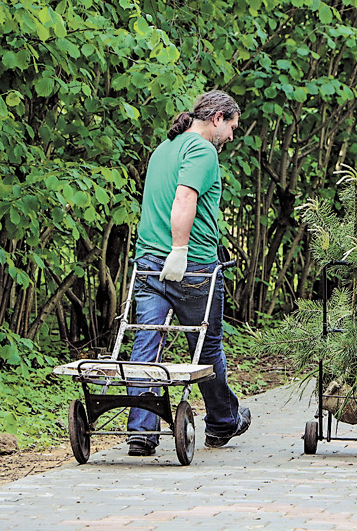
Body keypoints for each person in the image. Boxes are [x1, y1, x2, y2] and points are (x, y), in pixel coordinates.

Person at [126, 90, 251, 456]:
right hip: (190, 267)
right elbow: (183, 198)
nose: (231, 136)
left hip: (148, 264)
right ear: (217, 118)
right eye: (231, 127)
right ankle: (223, 421)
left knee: (145, 345)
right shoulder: (202, 150)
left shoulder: (163, 150)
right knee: (206, 346)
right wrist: (180, 251)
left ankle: (141, 433)